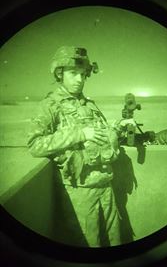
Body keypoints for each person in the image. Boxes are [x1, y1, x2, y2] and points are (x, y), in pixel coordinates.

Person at [27, 46, 131, 247]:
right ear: (60, 74)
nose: (79, 79)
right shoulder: (50, 106)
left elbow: (100, 135)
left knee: (115, 245)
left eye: (83, 74)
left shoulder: (88, 104)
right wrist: (80, 134)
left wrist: (118, 128)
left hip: (105, 187)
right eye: (73, 73)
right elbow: (35, 144)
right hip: (80, 194)